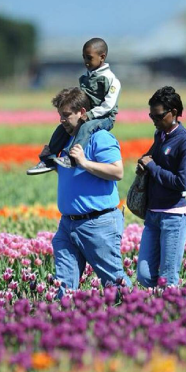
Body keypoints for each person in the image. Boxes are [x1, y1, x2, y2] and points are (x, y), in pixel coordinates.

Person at [50, 87, 131, 295]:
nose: (62, 120)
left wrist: (85, 163)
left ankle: (135, 314)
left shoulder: (99, 137)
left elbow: (117, 171)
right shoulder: (67, 139)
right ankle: (64, 322)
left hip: (97, 223)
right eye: (60, 115)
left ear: (82, 112)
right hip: (68, 224)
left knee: (115, 283)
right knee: (63, 286)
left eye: (66, 115)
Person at [27, 37, 121, 174]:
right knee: (61, 128)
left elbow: (109, 105)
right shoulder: (86, 76)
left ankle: (71, 157)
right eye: (84, 58)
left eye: (89, 58)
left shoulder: (110, 79)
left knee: (87, 127)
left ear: (102, 57)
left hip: (104, 117)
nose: (86, 62)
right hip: (87, 114)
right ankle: (48, 160)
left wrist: (90, 115)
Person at [136, 86, 186, 288]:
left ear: (174, 113)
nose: (154, 120)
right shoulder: (160, 135)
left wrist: (152, 166)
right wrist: (143, 164)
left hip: (174, 216)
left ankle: (168, 312)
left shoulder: (185, 141)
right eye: (151, 116)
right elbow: (151, 158)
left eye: (158, 116)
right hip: (153, 214)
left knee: (168, 278)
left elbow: (181, 182)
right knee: (145, 275)